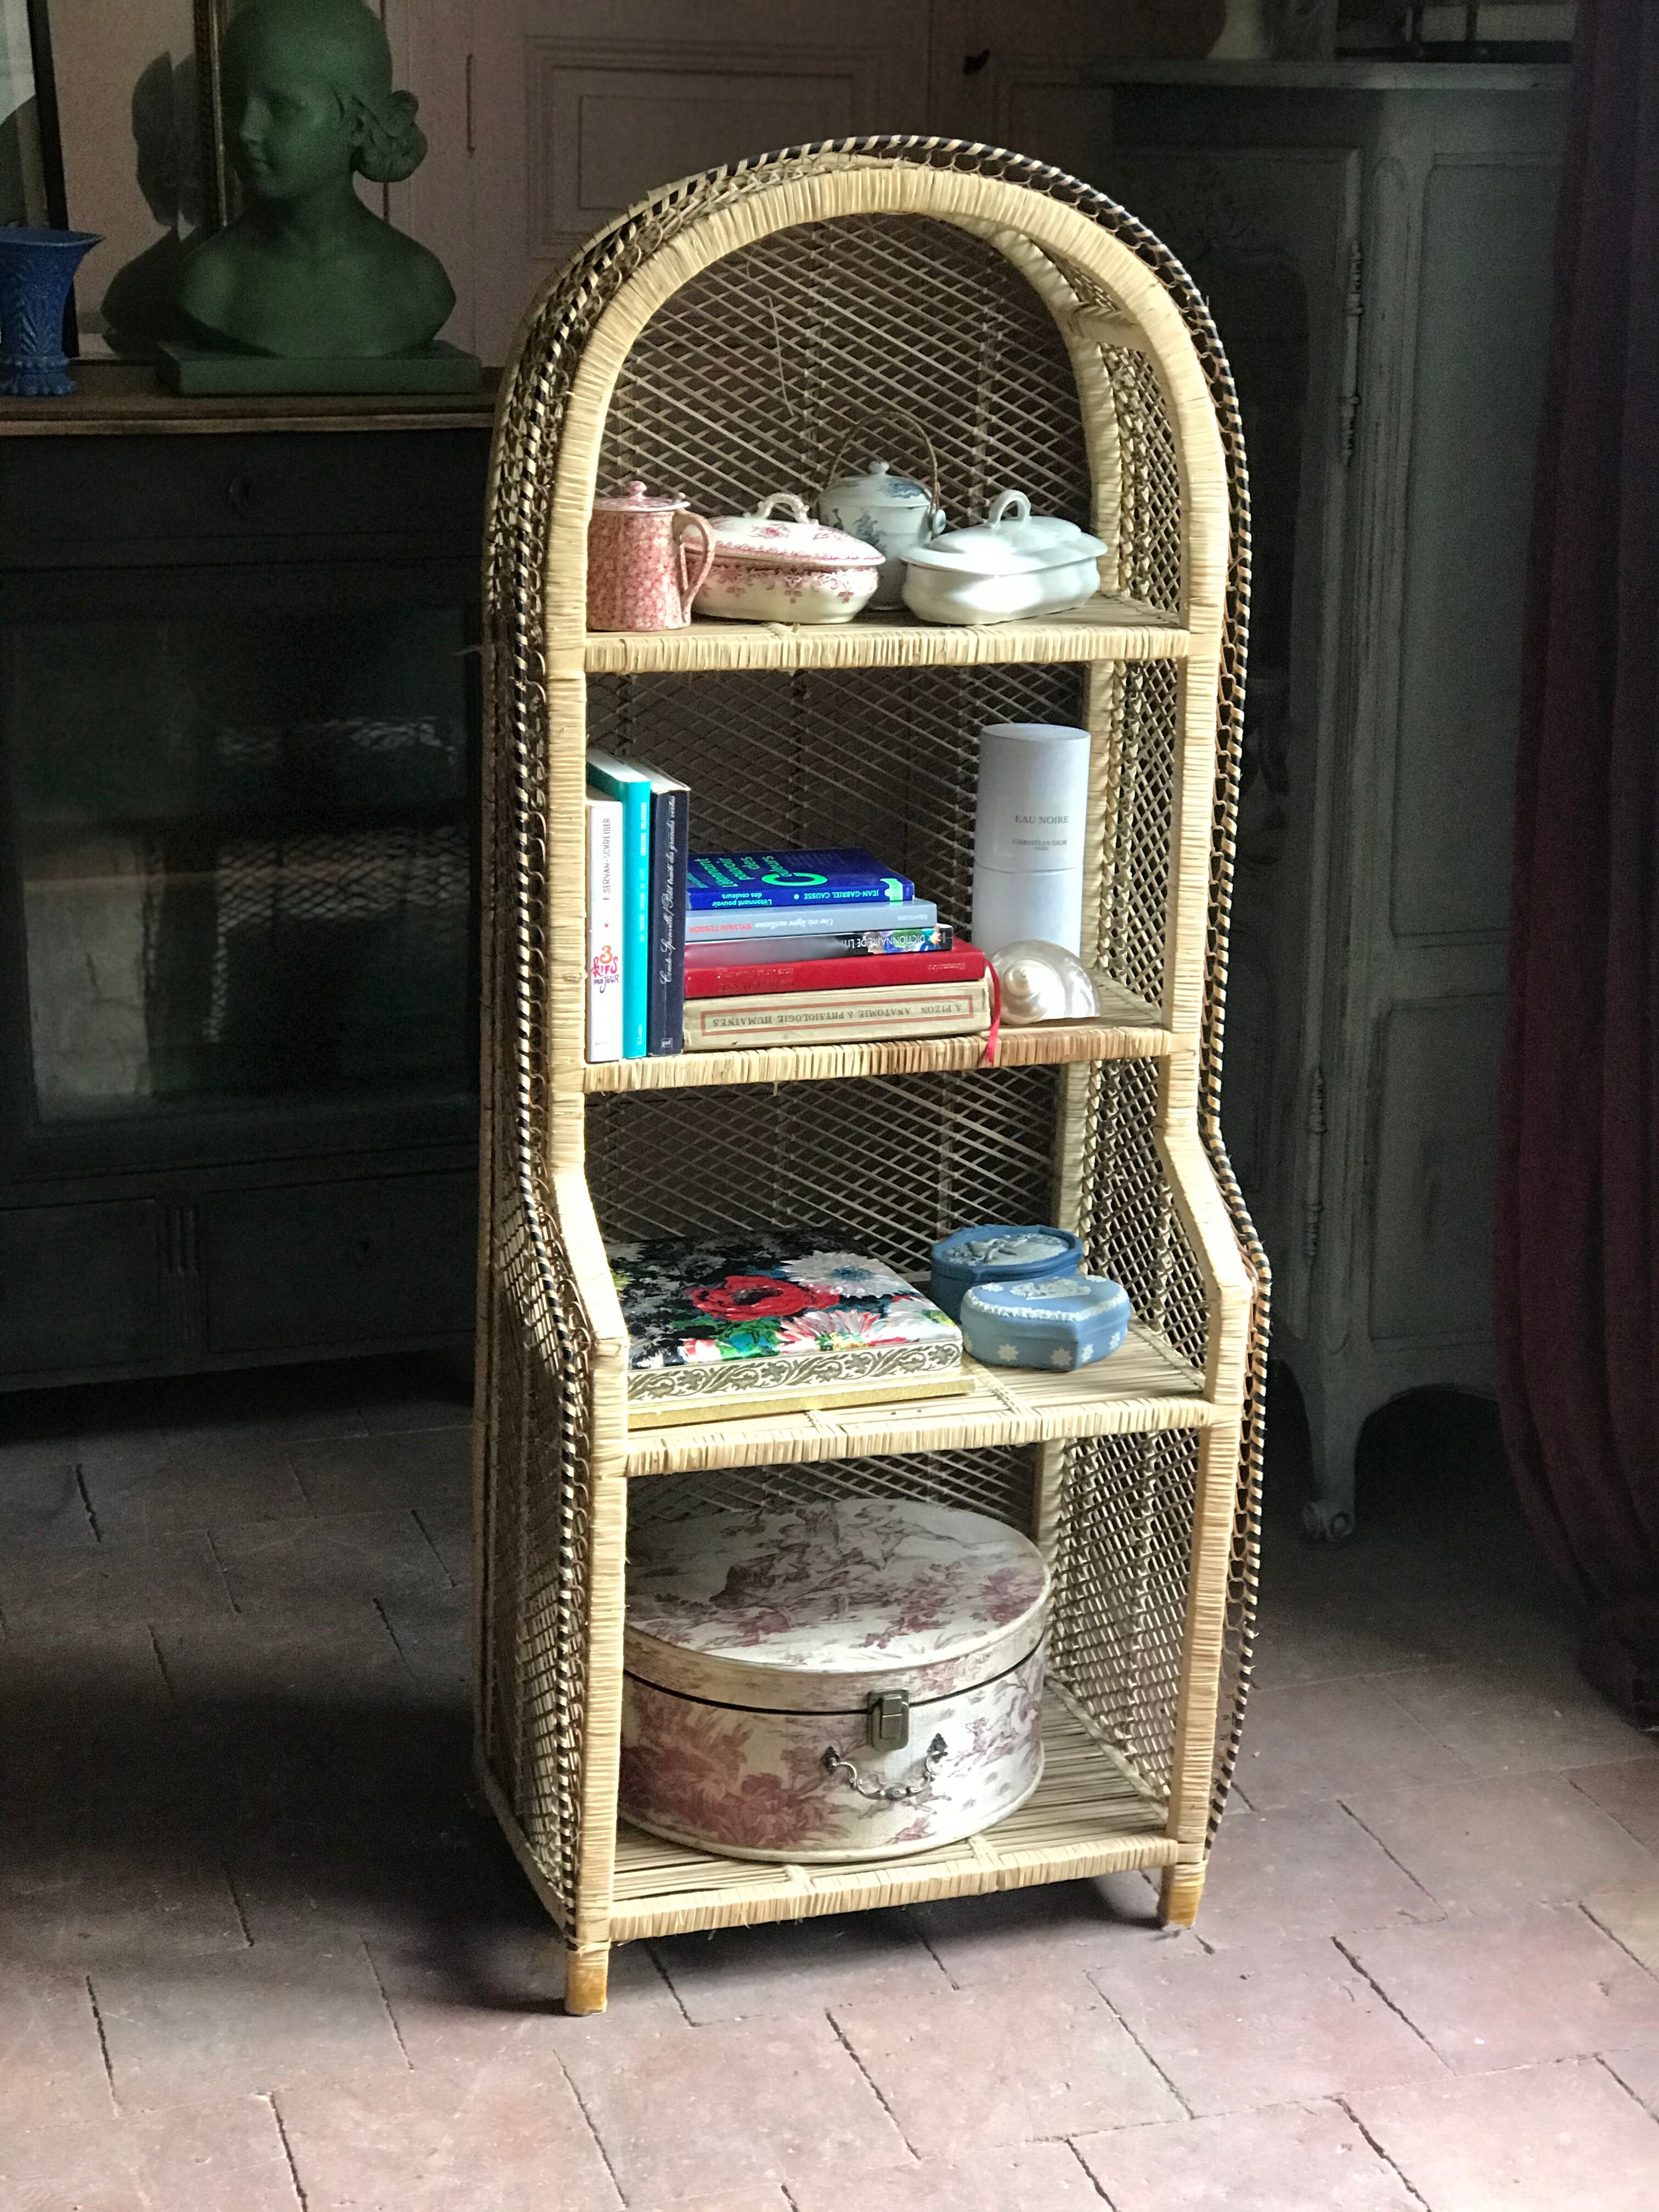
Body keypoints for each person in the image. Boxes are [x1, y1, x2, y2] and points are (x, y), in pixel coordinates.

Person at [173, 0, 453, 359]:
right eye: (234, 102)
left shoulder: (419, 282)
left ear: (357, 124)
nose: (246, 130)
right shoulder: (209, 284)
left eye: (282, 107)